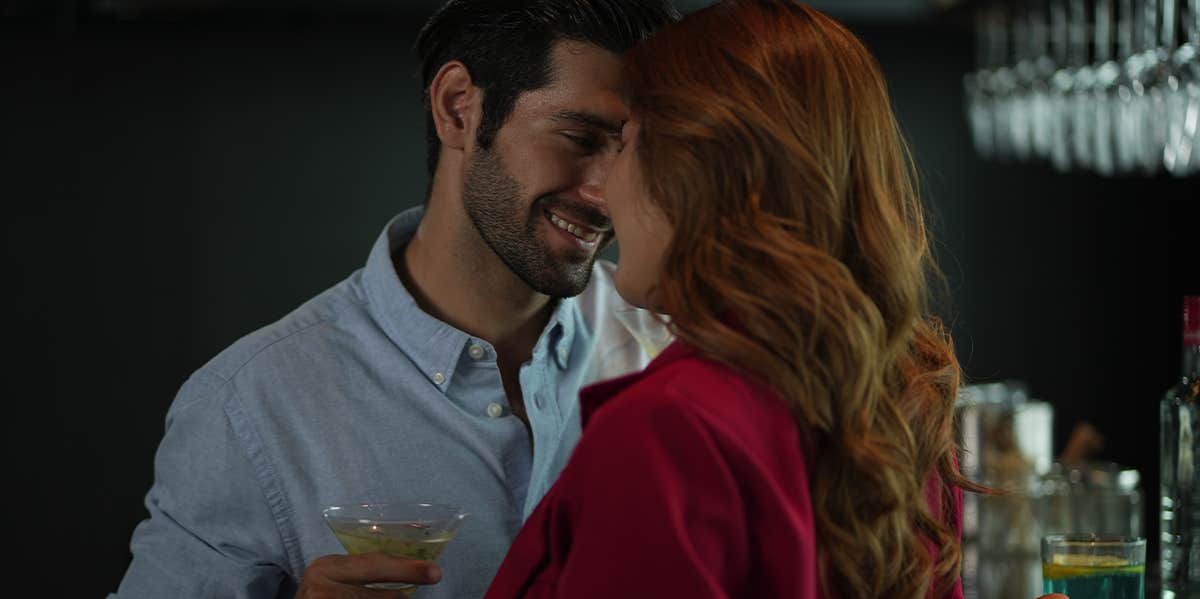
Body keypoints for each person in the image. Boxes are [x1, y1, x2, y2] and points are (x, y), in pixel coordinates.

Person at [108, 2, 678, 598]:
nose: (610, 195)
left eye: (638, 151)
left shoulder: (680, 351)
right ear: (459, 106)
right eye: (581, 137)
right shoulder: (247, 409)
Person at [482, 1, 989, 597]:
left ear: (701, 173)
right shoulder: (902, 402)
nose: (603, 188)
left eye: (628, 144)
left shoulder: (668, 428)